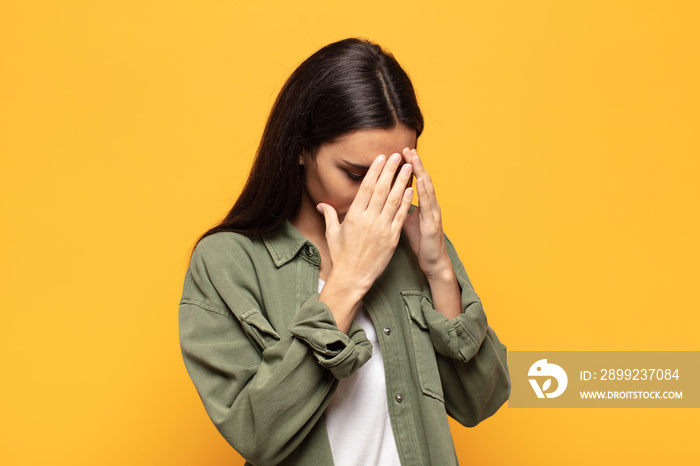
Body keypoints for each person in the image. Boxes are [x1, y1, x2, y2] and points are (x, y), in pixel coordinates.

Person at [179, 37, 510, 466]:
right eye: (356, 174)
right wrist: (349, 280)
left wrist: (439, 272)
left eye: (396, 175)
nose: (377, 194)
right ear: (300, 147)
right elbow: (256, 436)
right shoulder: (227, 263)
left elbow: (479, 404)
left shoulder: (417, 243)